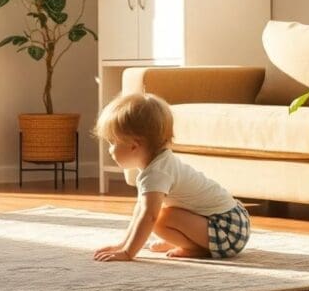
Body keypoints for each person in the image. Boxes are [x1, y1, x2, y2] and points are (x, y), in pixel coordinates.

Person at [92, 93, 251, 261]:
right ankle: (192, 242)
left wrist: (128, 252)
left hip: (228, 230)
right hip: (231, 219)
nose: (109, 149)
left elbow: (148, 217)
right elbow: (140, 211)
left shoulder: (157, 173)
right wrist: (122, 245)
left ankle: (195, 247)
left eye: (112, 142)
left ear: (133, 146)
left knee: (159, 220)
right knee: (156, 213)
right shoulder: (158, 164)